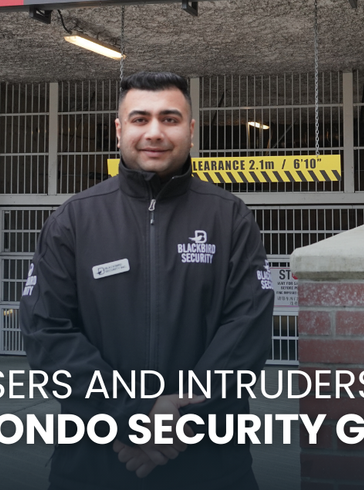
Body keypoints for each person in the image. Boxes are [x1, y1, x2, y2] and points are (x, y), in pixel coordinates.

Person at [20, 71, 275, 489]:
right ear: (119, 131)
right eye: (140, 119)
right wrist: (131, 418)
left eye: (170, 119)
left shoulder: (229, 217)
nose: (154, 132)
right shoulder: (75, 219)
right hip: (94, 462)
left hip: (210, 462)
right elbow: (46, 330)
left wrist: (179, 420)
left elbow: (246, 330)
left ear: (190, 131)